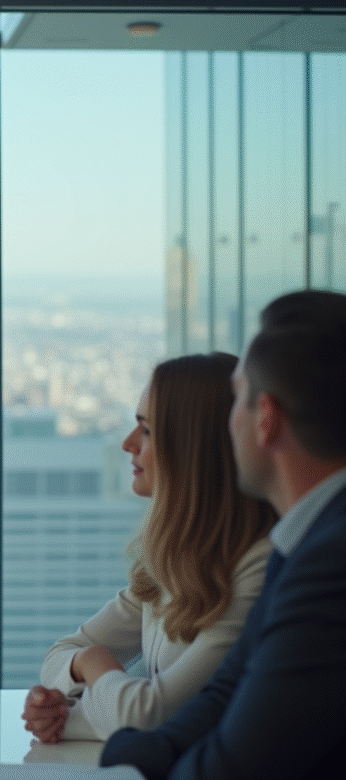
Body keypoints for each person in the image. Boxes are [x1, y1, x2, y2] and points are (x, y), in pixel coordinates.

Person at [100, 289, 346, 779]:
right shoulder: (300, 544)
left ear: (267, 420)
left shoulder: (330, 564)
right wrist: (130, 754)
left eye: (238, 400)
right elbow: (219, 701)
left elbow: (232, 766)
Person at [23, 352, 276, 743]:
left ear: (191, 449)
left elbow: (151, 716)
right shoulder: (176, 560)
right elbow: (62, 652)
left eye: (146, 430)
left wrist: (91, 665)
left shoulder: (258, 567)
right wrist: (68, 711)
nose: (127, 443)